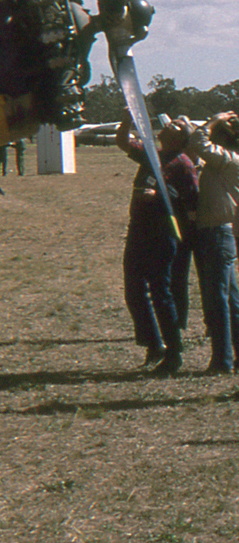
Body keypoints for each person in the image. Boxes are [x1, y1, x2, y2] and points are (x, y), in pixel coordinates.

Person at [118, 117, 199, 374]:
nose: (169, 125)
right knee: (133, 288)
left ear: (182, 139)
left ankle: (174, 352)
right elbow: (122, 142)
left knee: (161, 292)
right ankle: (154, 344)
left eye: (177, 126)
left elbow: (193, 203)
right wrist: (126, 120)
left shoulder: (182, 163)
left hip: (162, 234)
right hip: (138, 229)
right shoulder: (152, 155)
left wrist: (163, 197)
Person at [180, 113, 239, 374]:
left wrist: (213, 119)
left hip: (217, 234)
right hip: (220, 234)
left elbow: (197, 143)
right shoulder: (221, 163)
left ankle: (222, 361)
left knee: (217, 300)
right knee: (231, 300)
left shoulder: (227, 159)